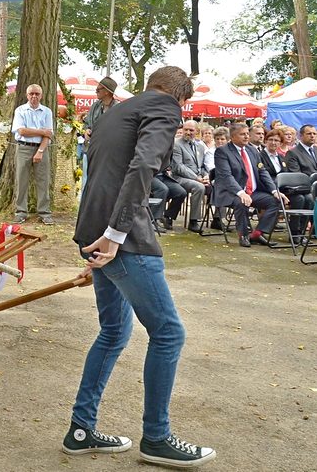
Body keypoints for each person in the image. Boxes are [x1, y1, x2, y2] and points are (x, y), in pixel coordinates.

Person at [67, 66, 216, 468]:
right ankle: (156, 438)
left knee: (114, 332)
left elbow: (103, 172)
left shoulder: (116, 110)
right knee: (168, 333)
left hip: (94, 229)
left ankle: (81, 431)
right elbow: (144, 164)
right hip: (120, 236)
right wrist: (115, 235)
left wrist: (97, 245)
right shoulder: (165, 107)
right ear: (180, 98)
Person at [213, 123, 286, 248]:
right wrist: (241, 193)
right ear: (233, 136)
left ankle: (257, 234)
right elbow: (226, 176)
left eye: (247, 133)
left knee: (277, 200)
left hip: (252, 191)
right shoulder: (222, 152)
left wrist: (274, 191)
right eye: (242, 134)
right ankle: (243, 235)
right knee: (241, 202)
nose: (246, 137)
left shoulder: (252, 150)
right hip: (230, 192)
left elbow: (262, 172)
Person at [11, 84, 54, 225]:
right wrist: (42, 131)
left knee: (43, 181)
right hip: (23, 148)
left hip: (42, 148)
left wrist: (40, 151)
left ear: (41, 95)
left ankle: (44, 212)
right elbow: (21, 131)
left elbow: (49, 135)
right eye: (31, 93)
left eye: (37, 94)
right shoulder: (20, 110)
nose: (34, 96)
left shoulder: (47, 112)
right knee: (21, 181)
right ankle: (20, 212)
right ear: (27, 95)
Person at [80, 77, 119, 196]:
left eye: (98, 90)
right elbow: (86, 125)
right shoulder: (95, 106)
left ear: (106, 91)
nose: (96, 91)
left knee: (104, 183)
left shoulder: (118, 108)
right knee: (86, 182)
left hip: (108, 153)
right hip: (90, 149)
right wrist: (86, 131)